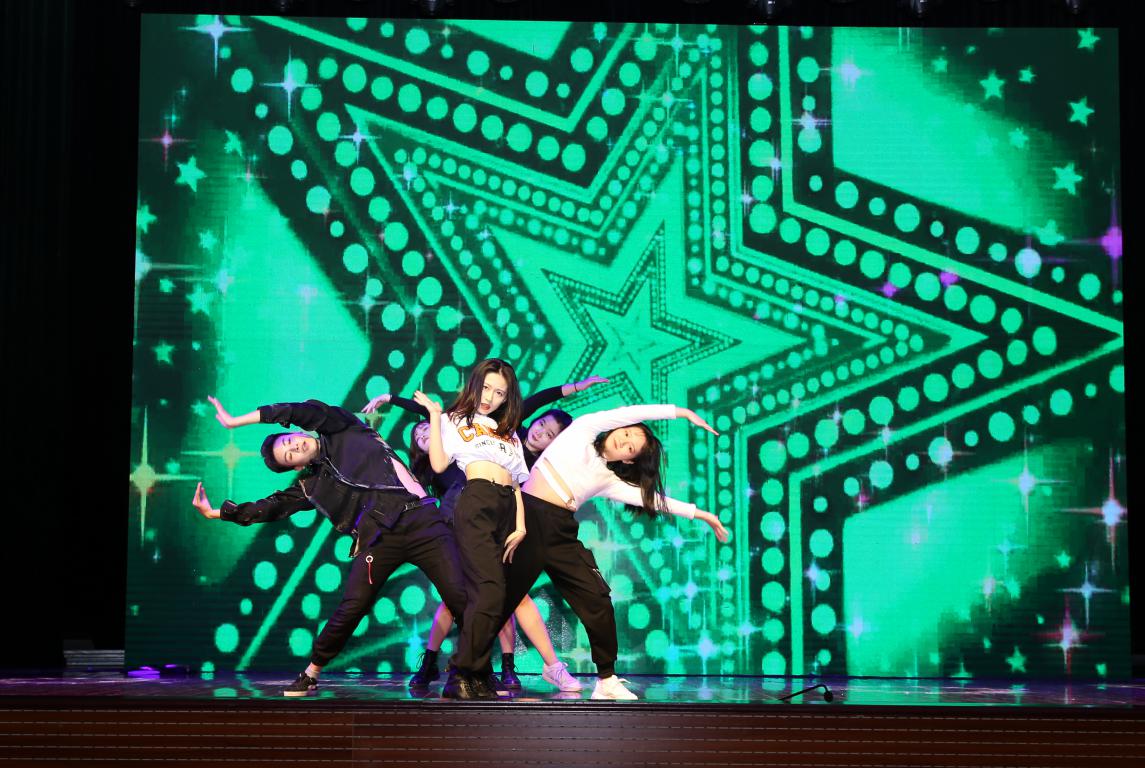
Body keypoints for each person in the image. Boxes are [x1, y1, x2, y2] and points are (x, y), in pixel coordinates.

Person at [190, 396, 468, 698]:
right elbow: (272, 506)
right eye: (289, 456)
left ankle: (474, 670)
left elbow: (294, 410)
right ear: (296, 466)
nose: (295, 448)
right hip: (380, 537)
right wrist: (218, 513)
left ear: (298, 432)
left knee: (461, 596)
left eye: (289, 441)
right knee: (353, 605)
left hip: (422, 520)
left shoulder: (341, 427)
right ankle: (311, 673)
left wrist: (235, 421)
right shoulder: (313, 486)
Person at [364, 375, 608, 692]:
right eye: (541, 425)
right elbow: (438, 417)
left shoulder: (512, 437)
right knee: (466, 596)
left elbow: (534, 406)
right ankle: (439, 664)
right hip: (468, 520)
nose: (541, 433)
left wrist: (574, 387)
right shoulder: (462, 446)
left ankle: (515, 667)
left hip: (508, 524)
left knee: (505, 596)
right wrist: (395, 402)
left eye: (550, 433)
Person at [492, 403, 730, 700]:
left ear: (628, 460)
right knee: (497, 600)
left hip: (560, 533)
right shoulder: (584, 428)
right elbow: (634, 412)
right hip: (526, 521)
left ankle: (606, 680)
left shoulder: (608, 479)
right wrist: (682, 412)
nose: (624, 440)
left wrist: (703, 515)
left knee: (598, 599)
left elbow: (651, 499)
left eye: (630, 448)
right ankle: (467, 670)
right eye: (627, 433)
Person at [416, 358, 531, 699]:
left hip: (506, 509)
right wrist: (435, 416)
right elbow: (439, 464)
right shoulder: (455, 419)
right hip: (476, 501)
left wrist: (521, 525)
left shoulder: (507, 431)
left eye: (500, 393)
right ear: (474, 385)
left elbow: (516, 483)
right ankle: (460, 671)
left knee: (493, 597)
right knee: (490, 591)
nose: (490, 398)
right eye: (486, 388)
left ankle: (476, 674)